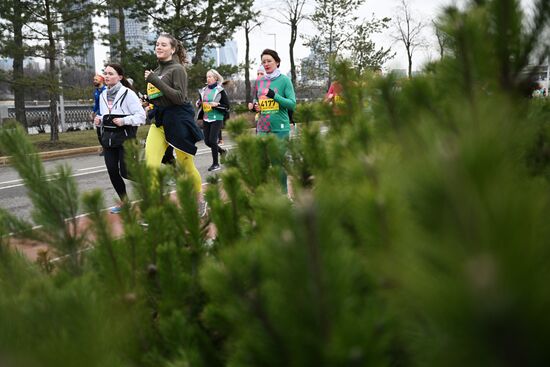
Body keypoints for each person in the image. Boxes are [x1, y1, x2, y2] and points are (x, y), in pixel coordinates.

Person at [143, 33, 207, 216]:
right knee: (151, 166)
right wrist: (148, 102)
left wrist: (154, 80)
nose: (159, 47)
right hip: (160, 122)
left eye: (163, 44)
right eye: (157, 44)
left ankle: (199, 200)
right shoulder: (157, 70)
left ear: (172, 49)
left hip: (178, 120)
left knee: (186, 166)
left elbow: (179, 97)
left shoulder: (177, 69)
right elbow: (159, 96)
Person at [94, 64, 146, 214]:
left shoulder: (128, 94)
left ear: (120, 77)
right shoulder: (103, 94)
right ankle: (124, 202)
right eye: (106, 74)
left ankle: (149, 185)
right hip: (109, 139)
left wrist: (124, 121)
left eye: (111, 73)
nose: (107, 76)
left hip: (125, 138)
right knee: (112, 171)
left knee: (126, 171)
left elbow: (141, 116)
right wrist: (100, 120)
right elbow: (106, 116)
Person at [251, 49, 296, 192]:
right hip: (262, 126)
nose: (266, 64)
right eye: (263, 62)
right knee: (260, 161)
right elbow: (258, 101)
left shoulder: (284, 80)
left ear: (277, 62)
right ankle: (266, 194)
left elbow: (292, 104)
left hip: (280, 127)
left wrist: (274, 96)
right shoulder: (259, 81)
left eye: (269, 61)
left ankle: (283, 195)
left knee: (278, 162)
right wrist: (255, 107)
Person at [196, 69, 229, 171]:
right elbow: (201, 101)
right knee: (207, 142)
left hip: (217, 118)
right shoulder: (203, 90)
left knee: (213, 141)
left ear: (215, 78)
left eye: (210, 77)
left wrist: (217, 104)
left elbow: (227, 106)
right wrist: (198, 103)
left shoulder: (220, 90)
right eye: (207, 77)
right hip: (206, 118)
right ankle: (222, 151)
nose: (208, 79)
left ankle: (216, 164)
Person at [248, 65, 266, 134]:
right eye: (258, 74)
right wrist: (253, 106)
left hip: (274, 119)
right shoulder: (256, 84)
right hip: (261, 120)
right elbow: (255, 99)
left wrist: (263, 107)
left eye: (261, 74)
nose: (259, 76)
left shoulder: (273, 85)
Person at [92, 74, 106, 156]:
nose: (94, 81)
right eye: (94, 80)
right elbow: (96, 104)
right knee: (99, 133)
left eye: (96, 80)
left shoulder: (106, 90)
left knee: (104, 133)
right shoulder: (96, 92)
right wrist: (93, 112)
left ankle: (107, 149)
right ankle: (104, 147)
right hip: (99, 115)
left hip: (106, 115)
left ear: (101, 80)